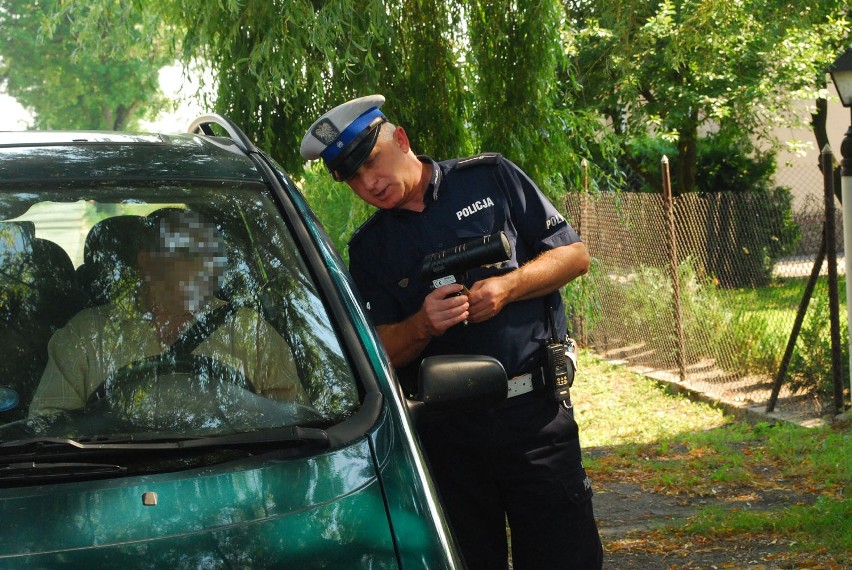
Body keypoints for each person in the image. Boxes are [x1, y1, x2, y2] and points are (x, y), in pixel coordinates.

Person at [301, 95, 603, 569]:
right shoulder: (371, 249)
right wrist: (421, 326)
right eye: (353, 179)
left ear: (401, 140)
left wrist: (507, 286)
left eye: (372, 164)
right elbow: (374, 352)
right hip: (448, 439)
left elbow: (573, 256)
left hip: (535, 419)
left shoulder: (489, 178)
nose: (369, 184)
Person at [29, 209, 307, 415]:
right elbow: (50, 431)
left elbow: (295, 418)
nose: (202, 266)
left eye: (209, 255)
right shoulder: (86, 335)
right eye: (187, 253)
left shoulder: (249, 331)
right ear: (147, 262)